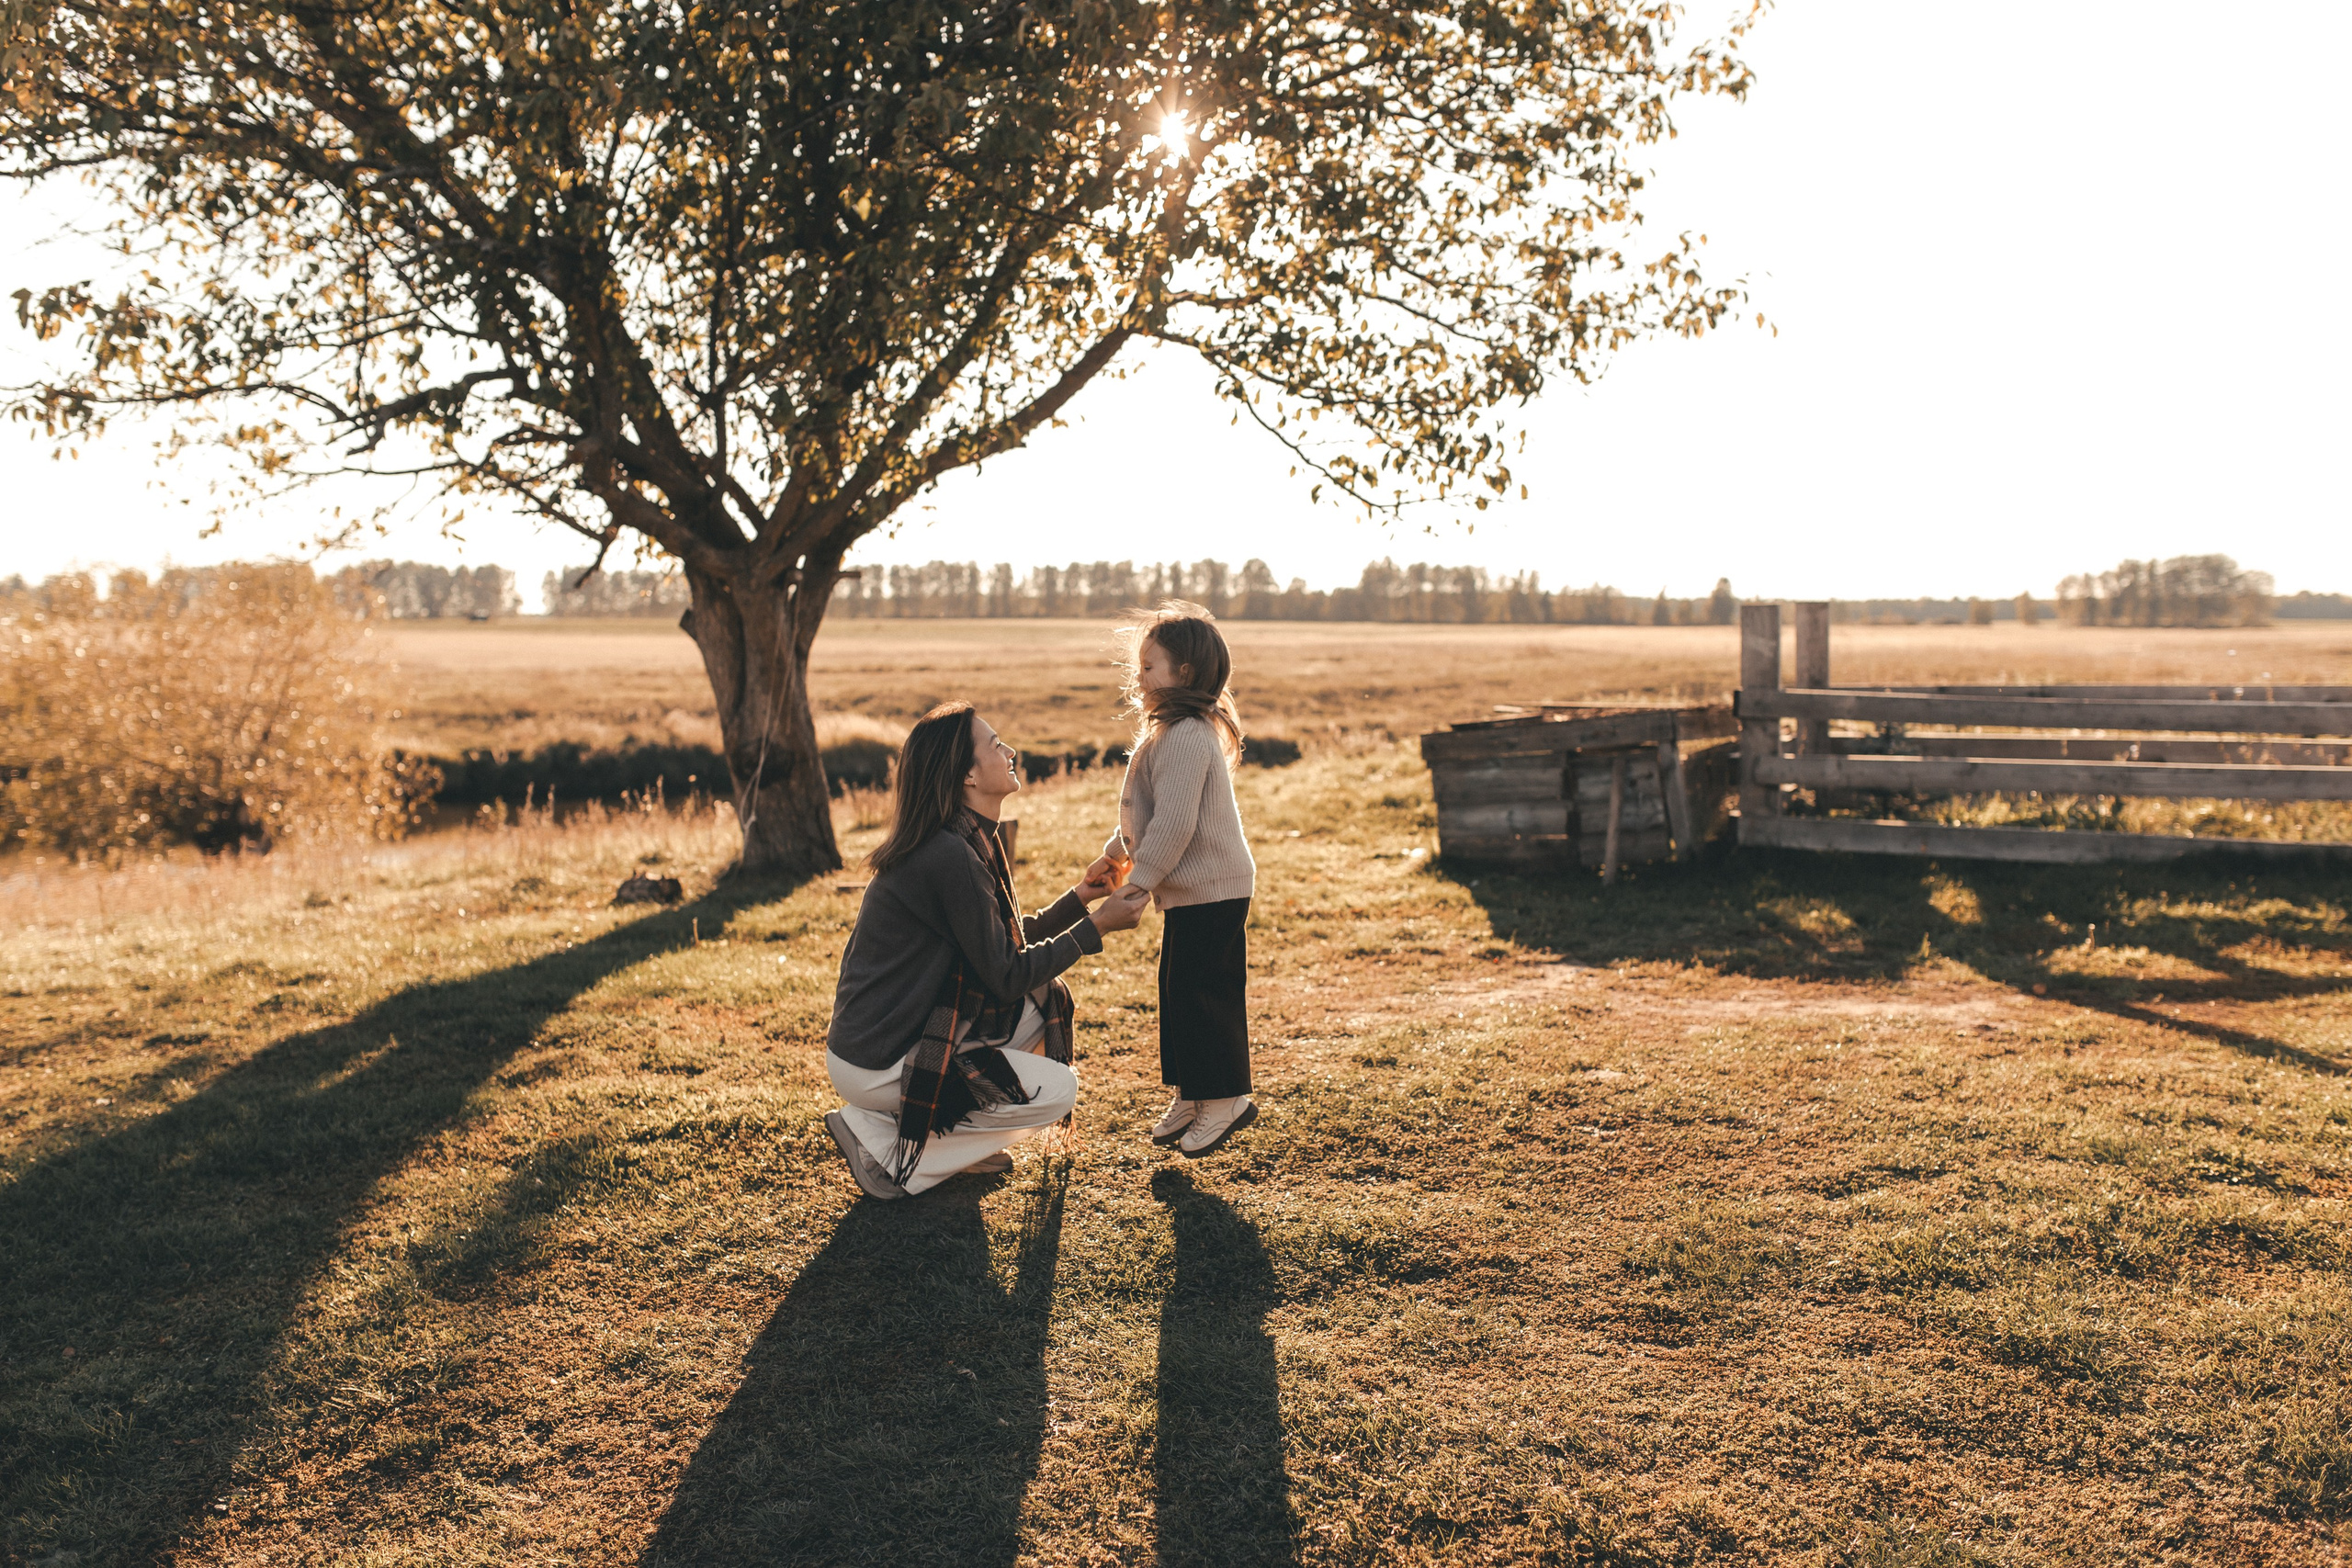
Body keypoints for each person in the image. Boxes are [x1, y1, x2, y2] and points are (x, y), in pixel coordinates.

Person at [824, 701, 1146, 1199]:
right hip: (877, 1058)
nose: (1011, 750)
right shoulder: (950, 854)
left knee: (1039, 1004)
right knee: (1058, 1091)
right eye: (996, 745)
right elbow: (1006, 974)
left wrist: (1081, 899)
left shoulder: (965, 839)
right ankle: (887, 1144)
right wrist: (1097, 926)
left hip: (890, 1041)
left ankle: (941, 1136)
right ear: (968, 775)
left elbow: (1000, 942)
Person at [1087, 602, 1260, 1156]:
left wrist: (1140, 883)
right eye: (1137, 666)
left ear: (1183, 673)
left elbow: (1176, 824)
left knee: (1206, 994)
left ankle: (1226, 1097)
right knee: (1179, 991)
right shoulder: (1169, 732)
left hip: (1214, 887)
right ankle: (1193, 1091)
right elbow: (1149, 814)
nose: (1138, 677)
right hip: (1192, 892)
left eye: (1148, 667)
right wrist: (1115, 856)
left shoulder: (1186, 735)